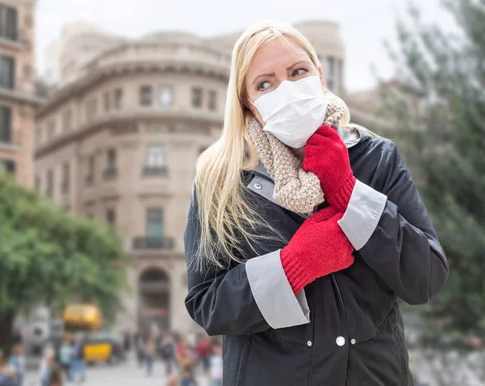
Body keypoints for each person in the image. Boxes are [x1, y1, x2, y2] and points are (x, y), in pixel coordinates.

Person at [183, 20, 449, 386]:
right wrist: (293, 266)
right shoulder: (220, 179)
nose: (287, 90)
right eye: (265, 84)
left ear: (319, 77)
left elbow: (427, 279)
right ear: (248, 105)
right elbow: (206, 305)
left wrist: (349, 192)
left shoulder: (378, 158)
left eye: (298, 72)